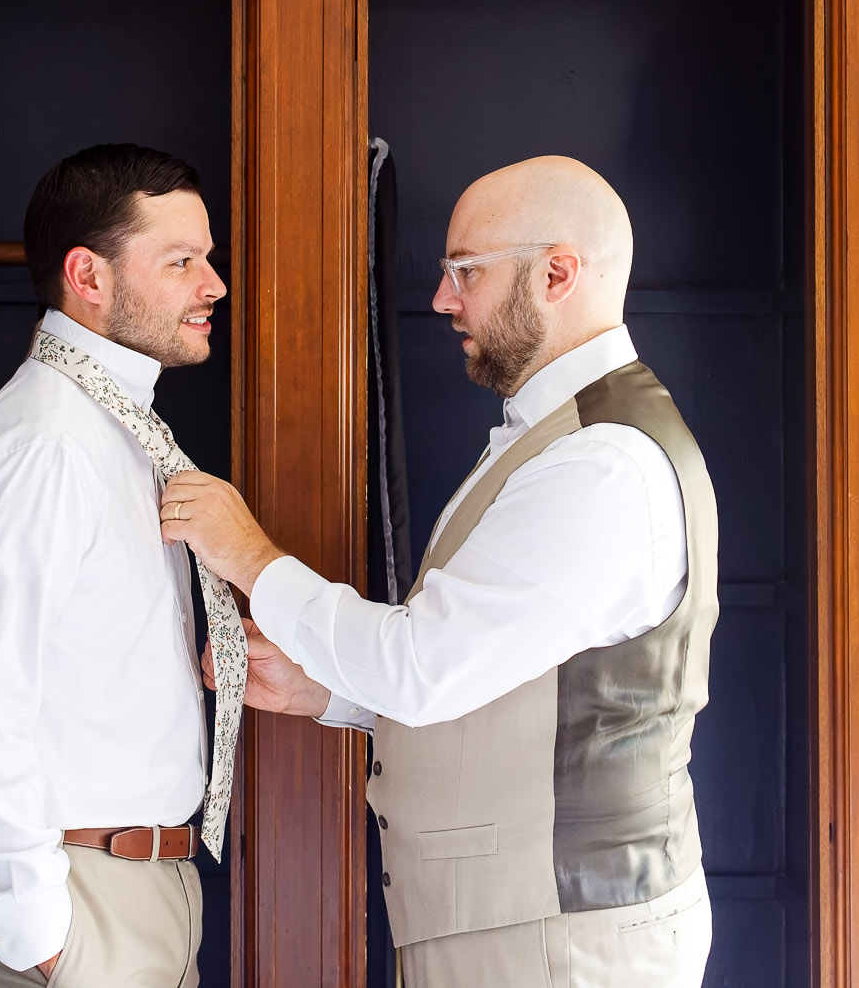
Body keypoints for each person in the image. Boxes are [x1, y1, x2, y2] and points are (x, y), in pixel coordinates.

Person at [161, 155, 718, 988]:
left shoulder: (601, 463)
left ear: (557, 273)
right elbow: (486, 671)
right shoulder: (566, 440)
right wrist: (327, 688)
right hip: (529, 932)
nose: (441, 298)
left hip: (559, 946)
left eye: (466, 271)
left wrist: (249, 553)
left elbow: (425, 664)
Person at [0, 143, 242, 988]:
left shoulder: (114, 430)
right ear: (87, 276)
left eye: (207, 259)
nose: (215, 284)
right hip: (72, 902)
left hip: (134, 893)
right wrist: (44, 938)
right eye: (182, 261)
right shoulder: (46, 444)